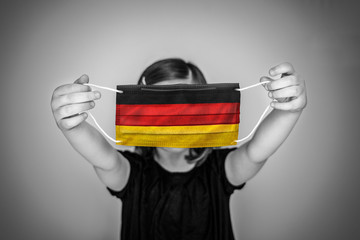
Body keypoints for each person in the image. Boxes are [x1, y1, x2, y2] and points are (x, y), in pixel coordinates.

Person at [50, 58, 307, 240]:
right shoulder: (132, 172)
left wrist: (289, 111)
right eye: (161, 105)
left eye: (186, 105)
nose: (174, 118)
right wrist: (73, 127)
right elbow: (104, 159)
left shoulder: (220, 168)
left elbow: (257, 152)